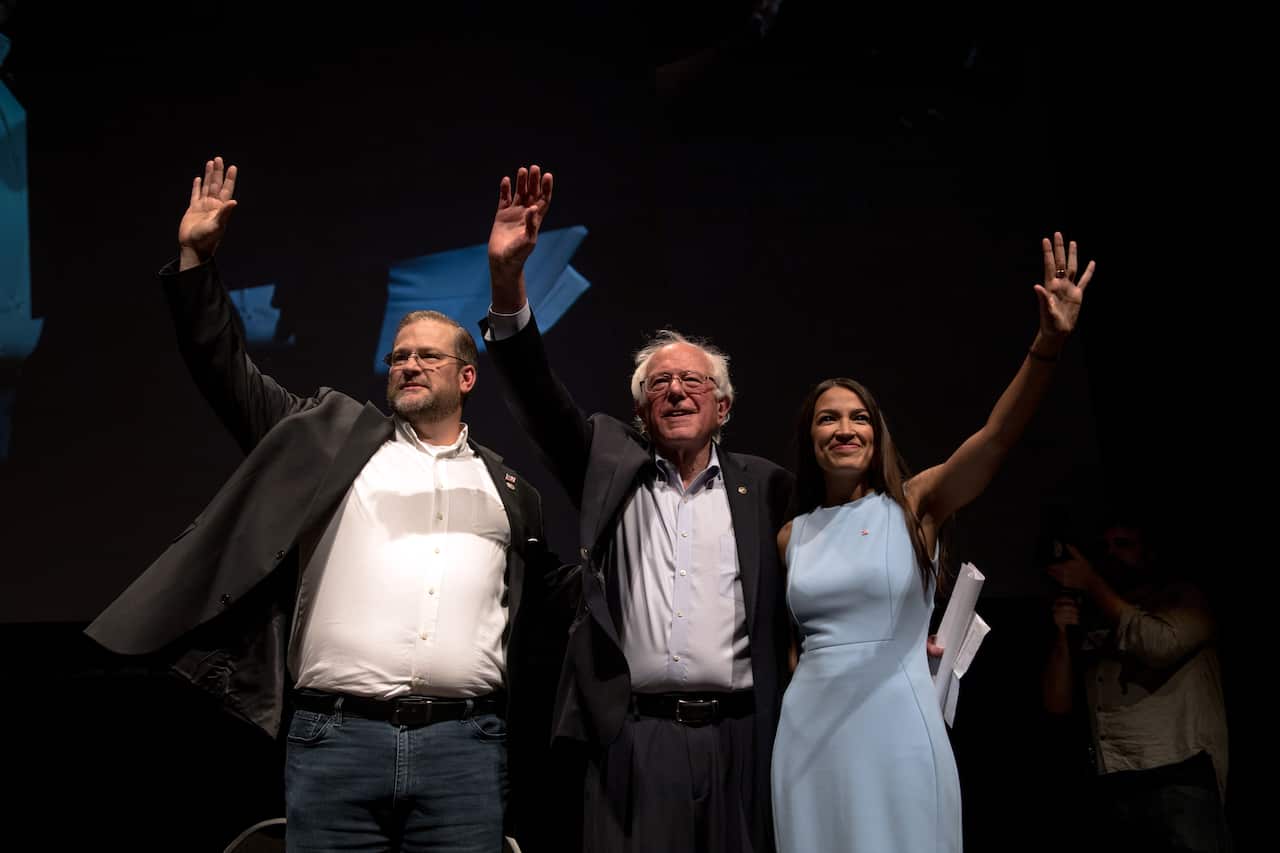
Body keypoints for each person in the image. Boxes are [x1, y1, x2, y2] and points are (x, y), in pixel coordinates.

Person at [85, 156, 563, 852]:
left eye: (428, 356)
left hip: (464, 747)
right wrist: (194, 264)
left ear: (466, 376)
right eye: (400, 355)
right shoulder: (335, 440)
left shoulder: (509, 491)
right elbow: (228, 374)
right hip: (336, 740)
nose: (408, 364)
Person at [482, 165, 794, 853]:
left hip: (744, 737)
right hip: (636, 739)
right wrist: (509, 280)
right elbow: (535, 392)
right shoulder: (608, 464)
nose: (677, 391)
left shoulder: (767, 486)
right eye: (660, 383)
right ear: (639, 408)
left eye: (693, 382)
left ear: (724, 405)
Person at [771, 232, 1096, 852]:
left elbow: (997, 438)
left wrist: (1048, 341)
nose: (844, 428)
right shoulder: (791, 534)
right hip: (808, 732)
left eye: (858, 416)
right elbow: (793, 648)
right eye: (827, 418)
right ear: (809, 438)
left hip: (897, 720)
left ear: (878, 432)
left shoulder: (916, 503)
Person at [1042, 517, 1230, 852]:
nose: (1111, 554)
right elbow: (1057, 704)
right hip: (1117, 777)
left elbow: (1158, 645)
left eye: (1123, 544)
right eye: (1105, 547)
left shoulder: (1183, 597)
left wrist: (1093, 584)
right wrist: (1061, 633)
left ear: (1149, 551)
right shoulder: (1098, 616)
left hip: (1178, 774)